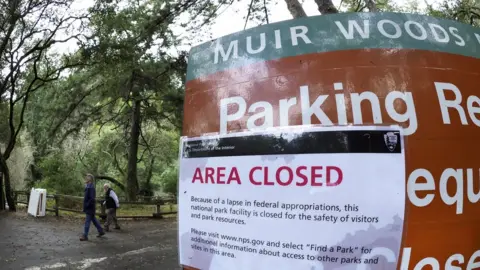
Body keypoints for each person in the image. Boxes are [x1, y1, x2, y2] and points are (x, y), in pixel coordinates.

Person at [80, 174, 105, 241]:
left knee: (87, 221)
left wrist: (87, 205)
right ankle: (101, 231)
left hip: (90, 207)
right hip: (89, 207)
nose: (85, 179)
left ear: (90, 179)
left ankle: (85, 235)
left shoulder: (91, 187)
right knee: (94, 220)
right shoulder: (88, 186)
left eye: (87, 178)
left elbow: (91, 199)